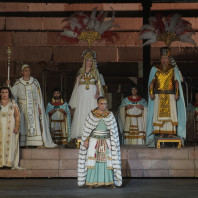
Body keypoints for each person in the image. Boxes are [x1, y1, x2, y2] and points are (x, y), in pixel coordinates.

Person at [7, 64, 57, 148]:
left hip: (33, 107)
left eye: (29, 71)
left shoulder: (35, 82)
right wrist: (9, 86)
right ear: (22, 72)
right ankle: (24, 143)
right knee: (23, 124)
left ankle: (36, 142)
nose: (27, 72)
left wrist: (39, 107)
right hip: (22, 107)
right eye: (26, 71)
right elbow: (12, 95)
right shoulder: (18, 83)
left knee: (35, 123)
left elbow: (39, 96)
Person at [78, 96, 122, 188]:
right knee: (93, 161)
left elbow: (114, 131)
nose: (103, 106)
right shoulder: (92, 114)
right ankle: (92, 182)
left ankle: (109, 182)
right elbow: (87, 129)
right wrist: (86, 140)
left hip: (106, 141)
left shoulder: (109, 115)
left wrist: (114, 142)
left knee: (107, 161)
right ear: (98, 104)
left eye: (105, 104)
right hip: (94, 141)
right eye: (101, 104)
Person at [146, 47, 186, 147]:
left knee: (171, 115)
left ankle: (170, 132)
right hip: (158, 96)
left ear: (169, 58)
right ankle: (161, 132)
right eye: (162, 57)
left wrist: (177, 93)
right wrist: (151, 93)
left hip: (170, 96)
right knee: (159, 115)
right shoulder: (155, 69)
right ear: (160, 58)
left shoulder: (173, 69)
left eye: (166, 57)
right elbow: (152, 83)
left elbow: (176, 82)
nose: (164, 60)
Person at [69, 49, 105, 139]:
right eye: (88, 60)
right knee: (81, 111)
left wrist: (97, 92)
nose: (89, 62)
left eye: (91, 60)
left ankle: (93, 132)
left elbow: (98, 84)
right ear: (85, 61)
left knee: (92, 110)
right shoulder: (80, 72)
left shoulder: (95, 72)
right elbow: (76, 86)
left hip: (92, 95)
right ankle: (81, 133)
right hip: (82, 94)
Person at [0, 86, 20, 169]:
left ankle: (8, 163)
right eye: (3, 92)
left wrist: (17, 126)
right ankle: (1, 163)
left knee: (10, 144)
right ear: (0, 93)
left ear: (9, 94)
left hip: (10, 128)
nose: (4, 94)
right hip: (0, 128)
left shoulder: (13, 104)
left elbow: (17, 116)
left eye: (6, 92)